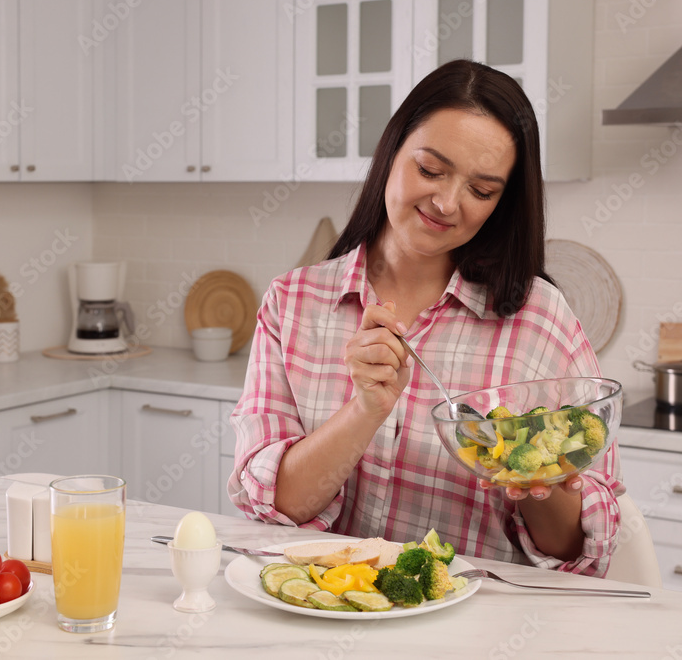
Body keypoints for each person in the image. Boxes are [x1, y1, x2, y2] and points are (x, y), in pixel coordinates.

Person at [227, 59, 623, 576]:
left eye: (481, 191)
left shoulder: (540, 320)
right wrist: (365, 409)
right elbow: (274, 504)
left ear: (502, 203)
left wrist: (535, 483)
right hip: (330, 615)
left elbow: (580, 556)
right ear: (392, 151)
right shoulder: (293, 302)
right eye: (431, 170)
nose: (445, 202)